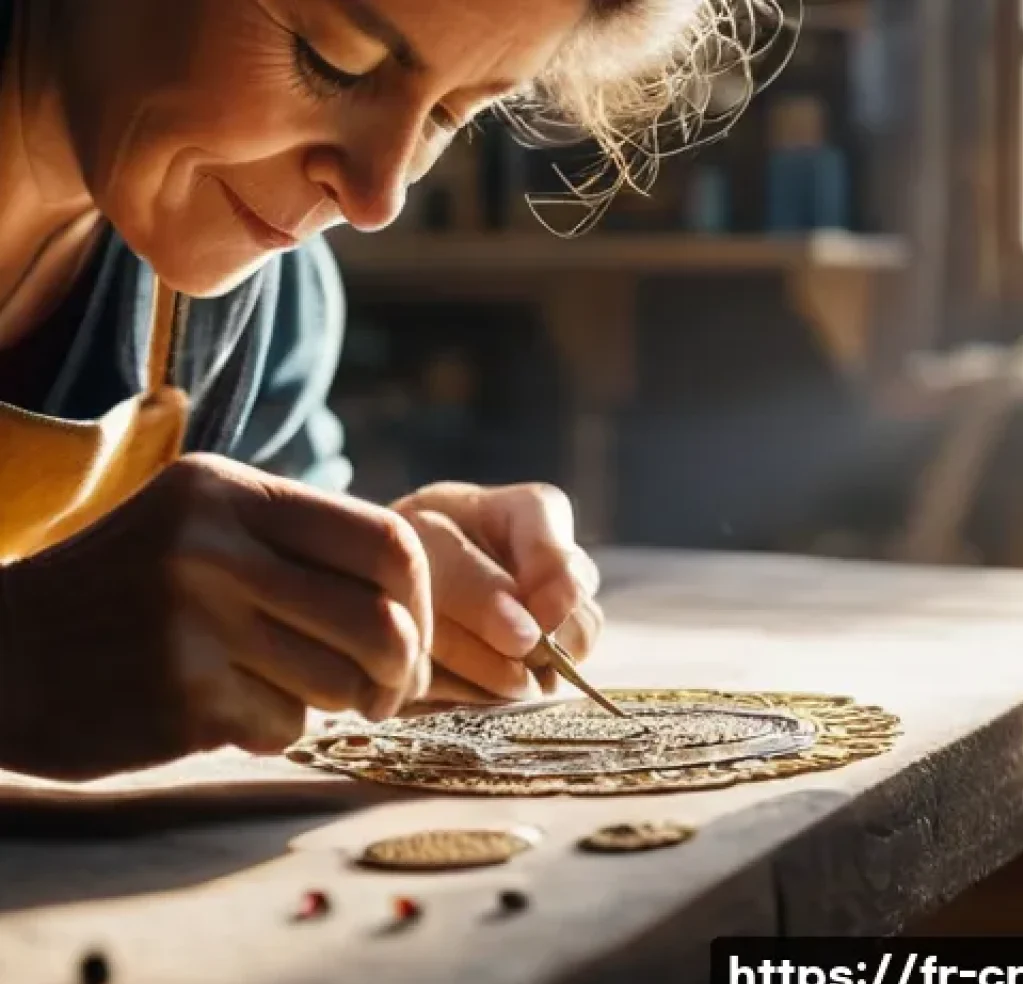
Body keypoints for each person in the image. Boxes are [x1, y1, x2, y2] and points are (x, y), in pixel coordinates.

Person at [0, 0, 759, 780]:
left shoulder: (263, 295)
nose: (376, 198)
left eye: (449, 116)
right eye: (333, 61)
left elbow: (219, 574)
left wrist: (375, 590)